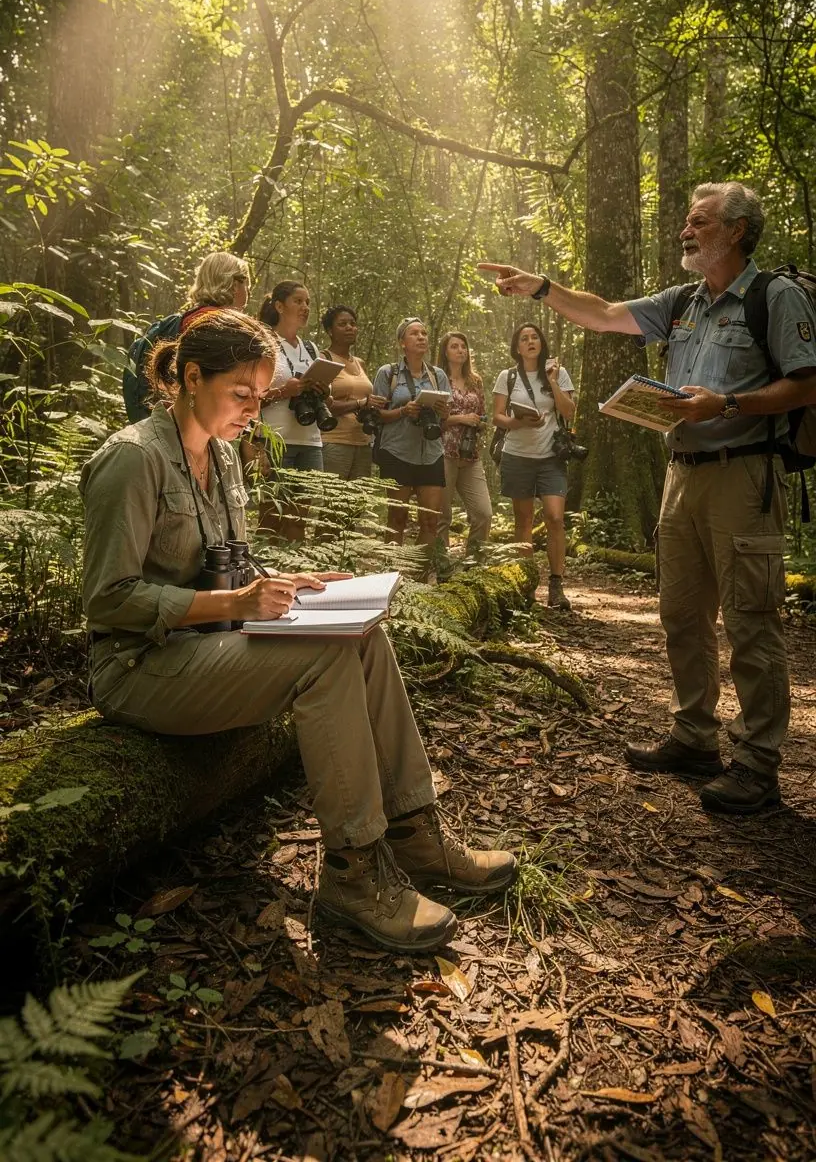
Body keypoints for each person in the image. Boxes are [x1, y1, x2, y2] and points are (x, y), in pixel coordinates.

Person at [80, 310, 517, 953]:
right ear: (190, 378)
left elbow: (225, 560)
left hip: (208, 648)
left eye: (262, 396)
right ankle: (354, 872)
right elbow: (108, 600)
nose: (255, 410)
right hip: (138, 668)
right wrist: (235, 600)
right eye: (242, 394)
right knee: (325, 658)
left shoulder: (223, 456)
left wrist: (294, 578)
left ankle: (417, 834)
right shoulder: (133, 459)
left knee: (363, 634)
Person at [480, 180, 816, 814]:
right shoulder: (684, 300)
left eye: (699, 222)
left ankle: (758, 763)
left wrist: (731, 403)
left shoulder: (776, 296)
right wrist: (541, 288)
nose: (685, 232)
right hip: (681, 473)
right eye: (686, 222)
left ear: (736, 231)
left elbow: (808, 384)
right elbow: (605, 312)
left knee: (750, 619)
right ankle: (695, 737)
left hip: (744, 474)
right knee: (682, 613)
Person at [492, 323, 576, 610]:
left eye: (534, 337)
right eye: (524, 339)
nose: (530, 342)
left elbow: (569, 411)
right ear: (517, 347)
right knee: (524, 520)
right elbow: (497, 417)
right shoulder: (508, 376)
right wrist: (518, 422)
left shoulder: (558, 372)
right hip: (517, 456)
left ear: (541, 343)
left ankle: (556, 585)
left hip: (551, 456)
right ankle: (525, 584)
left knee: (554, 518)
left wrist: (552, 381)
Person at [122, 251, 251, 422]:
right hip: (204, 422)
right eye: (246, 284)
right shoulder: (224, 326)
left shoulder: (186, 319)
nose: (248, 290)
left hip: (169, 417)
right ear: (234, 285)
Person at [246, 282, 328, 540]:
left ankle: (295, 576)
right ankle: (266, 575)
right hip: (276, 442)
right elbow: (249, 396)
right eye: (298, 301)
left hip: (311, 442)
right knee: (270, 519)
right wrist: (284, 392)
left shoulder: (311, 348)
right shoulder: (263, 344)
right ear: (279, 306)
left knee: (299, 520)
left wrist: (321, 390)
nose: (305, 308)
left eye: (308, 303)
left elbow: (327, 396)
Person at [372, 319, 451, 565]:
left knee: (430, 520)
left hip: (431, 453)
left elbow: (445, 422)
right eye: (414, 333)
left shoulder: (438, 376)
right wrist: (404, 411)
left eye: (424, 333)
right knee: (397, 516)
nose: (421, 337)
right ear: (402, 343)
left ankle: (419, 573)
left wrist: (442, 412)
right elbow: (376, 415)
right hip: (397, 453)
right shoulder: (388, 373)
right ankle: (391, 573)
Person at [436, 331, 493, 555]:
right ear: (445, 352)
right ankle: (440, 566)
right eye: (455, 346)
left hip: (470, 454)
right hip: (443, 451)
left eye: (463, 346)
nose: (461, 350)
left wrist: (479, 423)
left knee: (483, 514)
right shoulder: (437, 378)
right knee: (442, 515)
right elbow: (431, 420)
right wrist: (460, 418)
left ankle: (473, 565)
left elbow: (482, 414)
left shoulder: (475, 380)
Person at [319, 305, 385, 480]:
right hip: (334, 441)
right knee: (333, 502)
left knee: (357, 505)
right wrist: (360, 403)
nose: (349, 327)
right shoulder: (324, 358)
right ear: (330, 331)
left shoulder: (360, 363)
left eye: (353, 323)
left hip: (363, 442)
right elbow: (323, 406)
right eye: (342, 324)